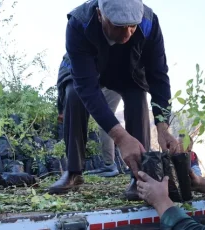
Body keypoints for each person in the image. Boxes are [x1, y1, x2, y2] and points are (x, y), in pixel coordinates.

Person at [49, 0, 178, 200]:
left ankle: (140, 177)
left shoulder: (149, 23)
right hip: (87, 68)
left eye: (132, 26)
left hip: (127, 69)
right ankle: (74, 172)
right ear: (100, 15)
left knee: (137, 96)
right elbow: (87, 88)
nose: (127, 34)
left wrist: (162, 126)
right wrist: (120, 137)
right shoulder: (79, 23)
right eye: (119, 26)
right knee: (74, 93)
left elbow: (159, 76)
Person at [55, 53, 123, 180]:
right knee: (104, 116)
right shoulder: (73, 58)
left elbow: (63, 87)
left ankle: (109, 165)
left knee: (104, 118)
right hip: (105, 75)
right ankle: (82, 168)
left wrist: (61, 110)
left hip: (112, 74)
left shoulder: (70, 61)